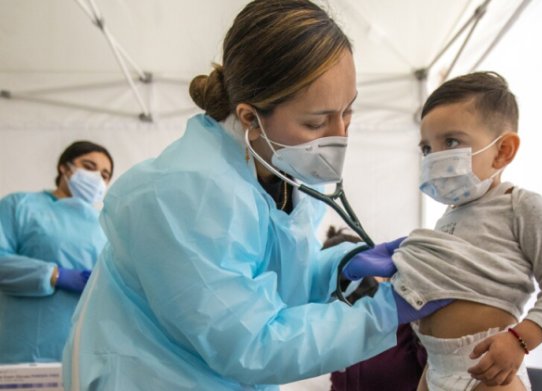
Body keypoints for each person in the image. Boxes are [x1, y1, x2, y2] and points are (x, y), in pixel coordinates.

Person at [62, 1, 448, 390]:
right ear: (250, 117)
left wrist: (340, 267)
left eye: (348, 112)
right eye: (316, 122)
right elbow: (252, 344)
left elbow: (276, 289)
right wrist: (382, 314)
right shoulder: (184, 196)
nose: (340, 135)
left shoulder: (281, 173)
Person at [344, 71, 542, 390]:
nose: (434, 157)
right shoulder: (450, 217)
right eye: (426, 148)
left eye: (451, 142)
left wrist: (520, 341)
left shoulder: (520, 205)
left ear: (503, 150)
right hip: (436, 368)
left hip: (491, 374)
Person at [0, 140, 113, 363]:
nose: (97, 178)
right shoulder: (19, 206)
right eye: (89, 166)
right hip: (25, 348)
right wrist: (56, 275)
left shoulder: (105, 226)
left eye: (105, 175)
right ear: (64, 167)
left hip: (87, 353)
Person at [323, 226, 427, 391]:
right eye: (343, 281)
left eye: (357, 275)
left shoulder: (405, 320)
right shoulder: (335, 330)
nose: (356, 287)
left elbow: (436, 373)